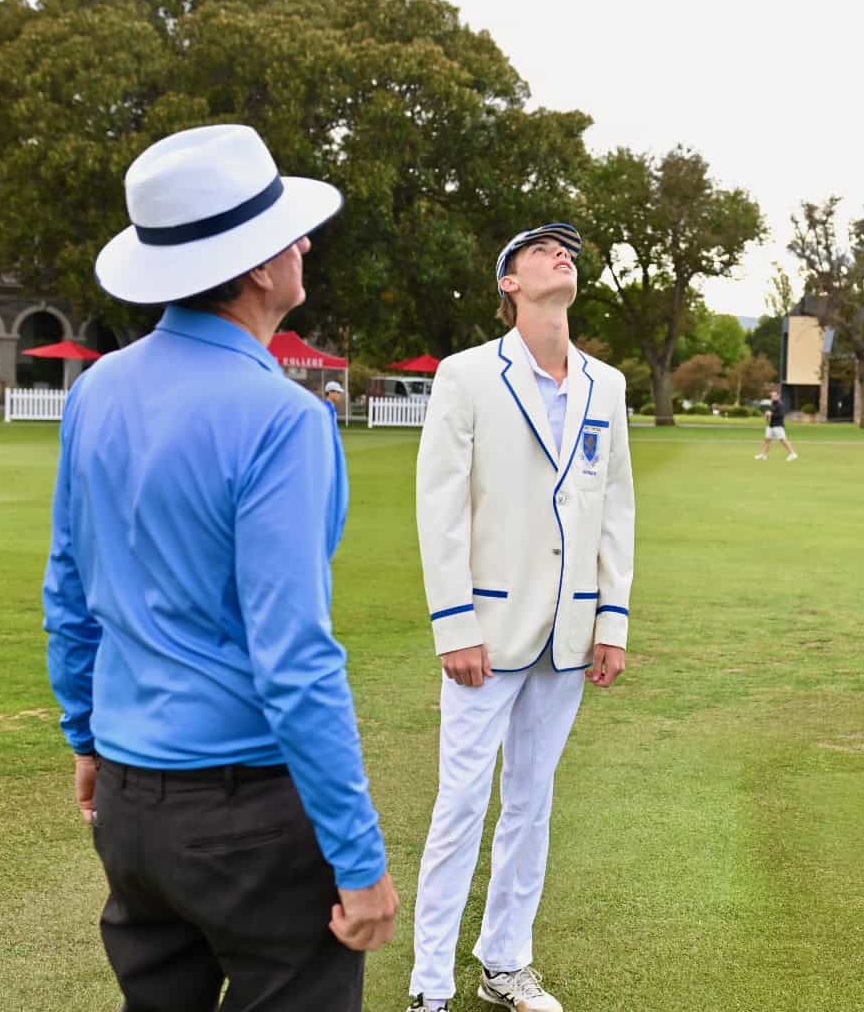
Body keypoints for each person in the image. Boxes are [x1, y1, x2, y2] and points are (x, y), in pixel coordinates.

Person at [44, 123, 398, 1011]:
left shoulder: (97, 389)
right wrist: (359, 861)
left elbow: (69, 589)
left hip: (131, 800)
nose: (304, 245)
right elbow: (295, 656)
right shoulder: (283, 418)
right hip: (248, 814)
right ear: (257, 267)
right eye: (289, 235)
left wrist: (87, 738)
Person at [410, 221, 636, 1012]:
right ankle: (429, 987)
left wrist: (612, 621)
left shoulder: (605, 385)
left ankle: (505, 963)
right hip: (487, 632)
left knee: (531, 805)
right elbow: (440, 506)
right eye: (541, 250)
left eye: (566, 250)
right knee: (461, 806)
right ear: (509, 282)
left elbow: (615, 507)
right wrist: (455, 625)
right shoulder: (467, 375)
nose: (560, 255)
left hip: (569, 634)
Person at [754, 387, 799, 461]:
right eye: (772, 396)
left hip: (778, 426)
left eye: (775, 396)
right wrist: (767, 416)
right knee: (767, 440)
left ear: (778, 396)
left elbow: (781, 415)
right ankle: (764, 455)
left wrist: (771, 414)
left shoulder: (780, 405)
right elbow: (769, 414)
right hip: (770, 426)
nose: (773, 397)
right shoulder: (771, 404)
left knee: (783, 440)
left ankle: (793, 454)